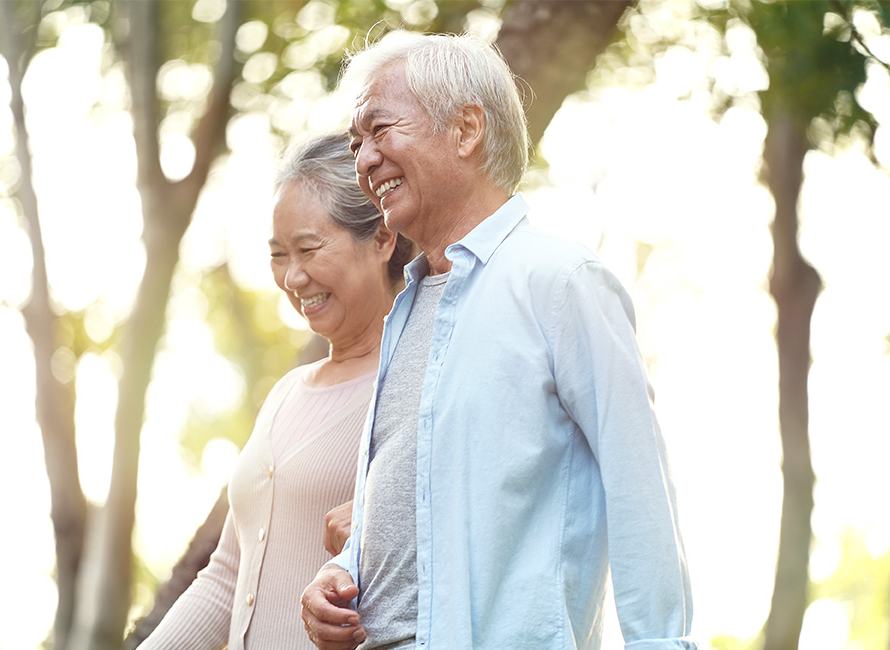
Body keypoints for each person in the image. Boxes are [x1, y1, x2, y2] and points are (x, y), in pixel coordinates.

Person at [300, 31, 695, 650]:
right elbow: (421, 507)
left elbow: (639, 488)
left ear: (465, 130)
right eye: (357, 144)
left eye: (380, 130)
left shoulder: (561, 282)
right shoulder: (405, 307)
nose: (364, 160)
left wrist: (660, 643)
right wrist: (344, 571)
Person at [137, 133, 411, 650]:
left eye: (308, 249)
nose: (293, 276)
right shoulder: (287, 393)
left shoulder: (409, 388)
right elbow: (226, 577)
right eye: (279, 255)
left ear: (381, 239)